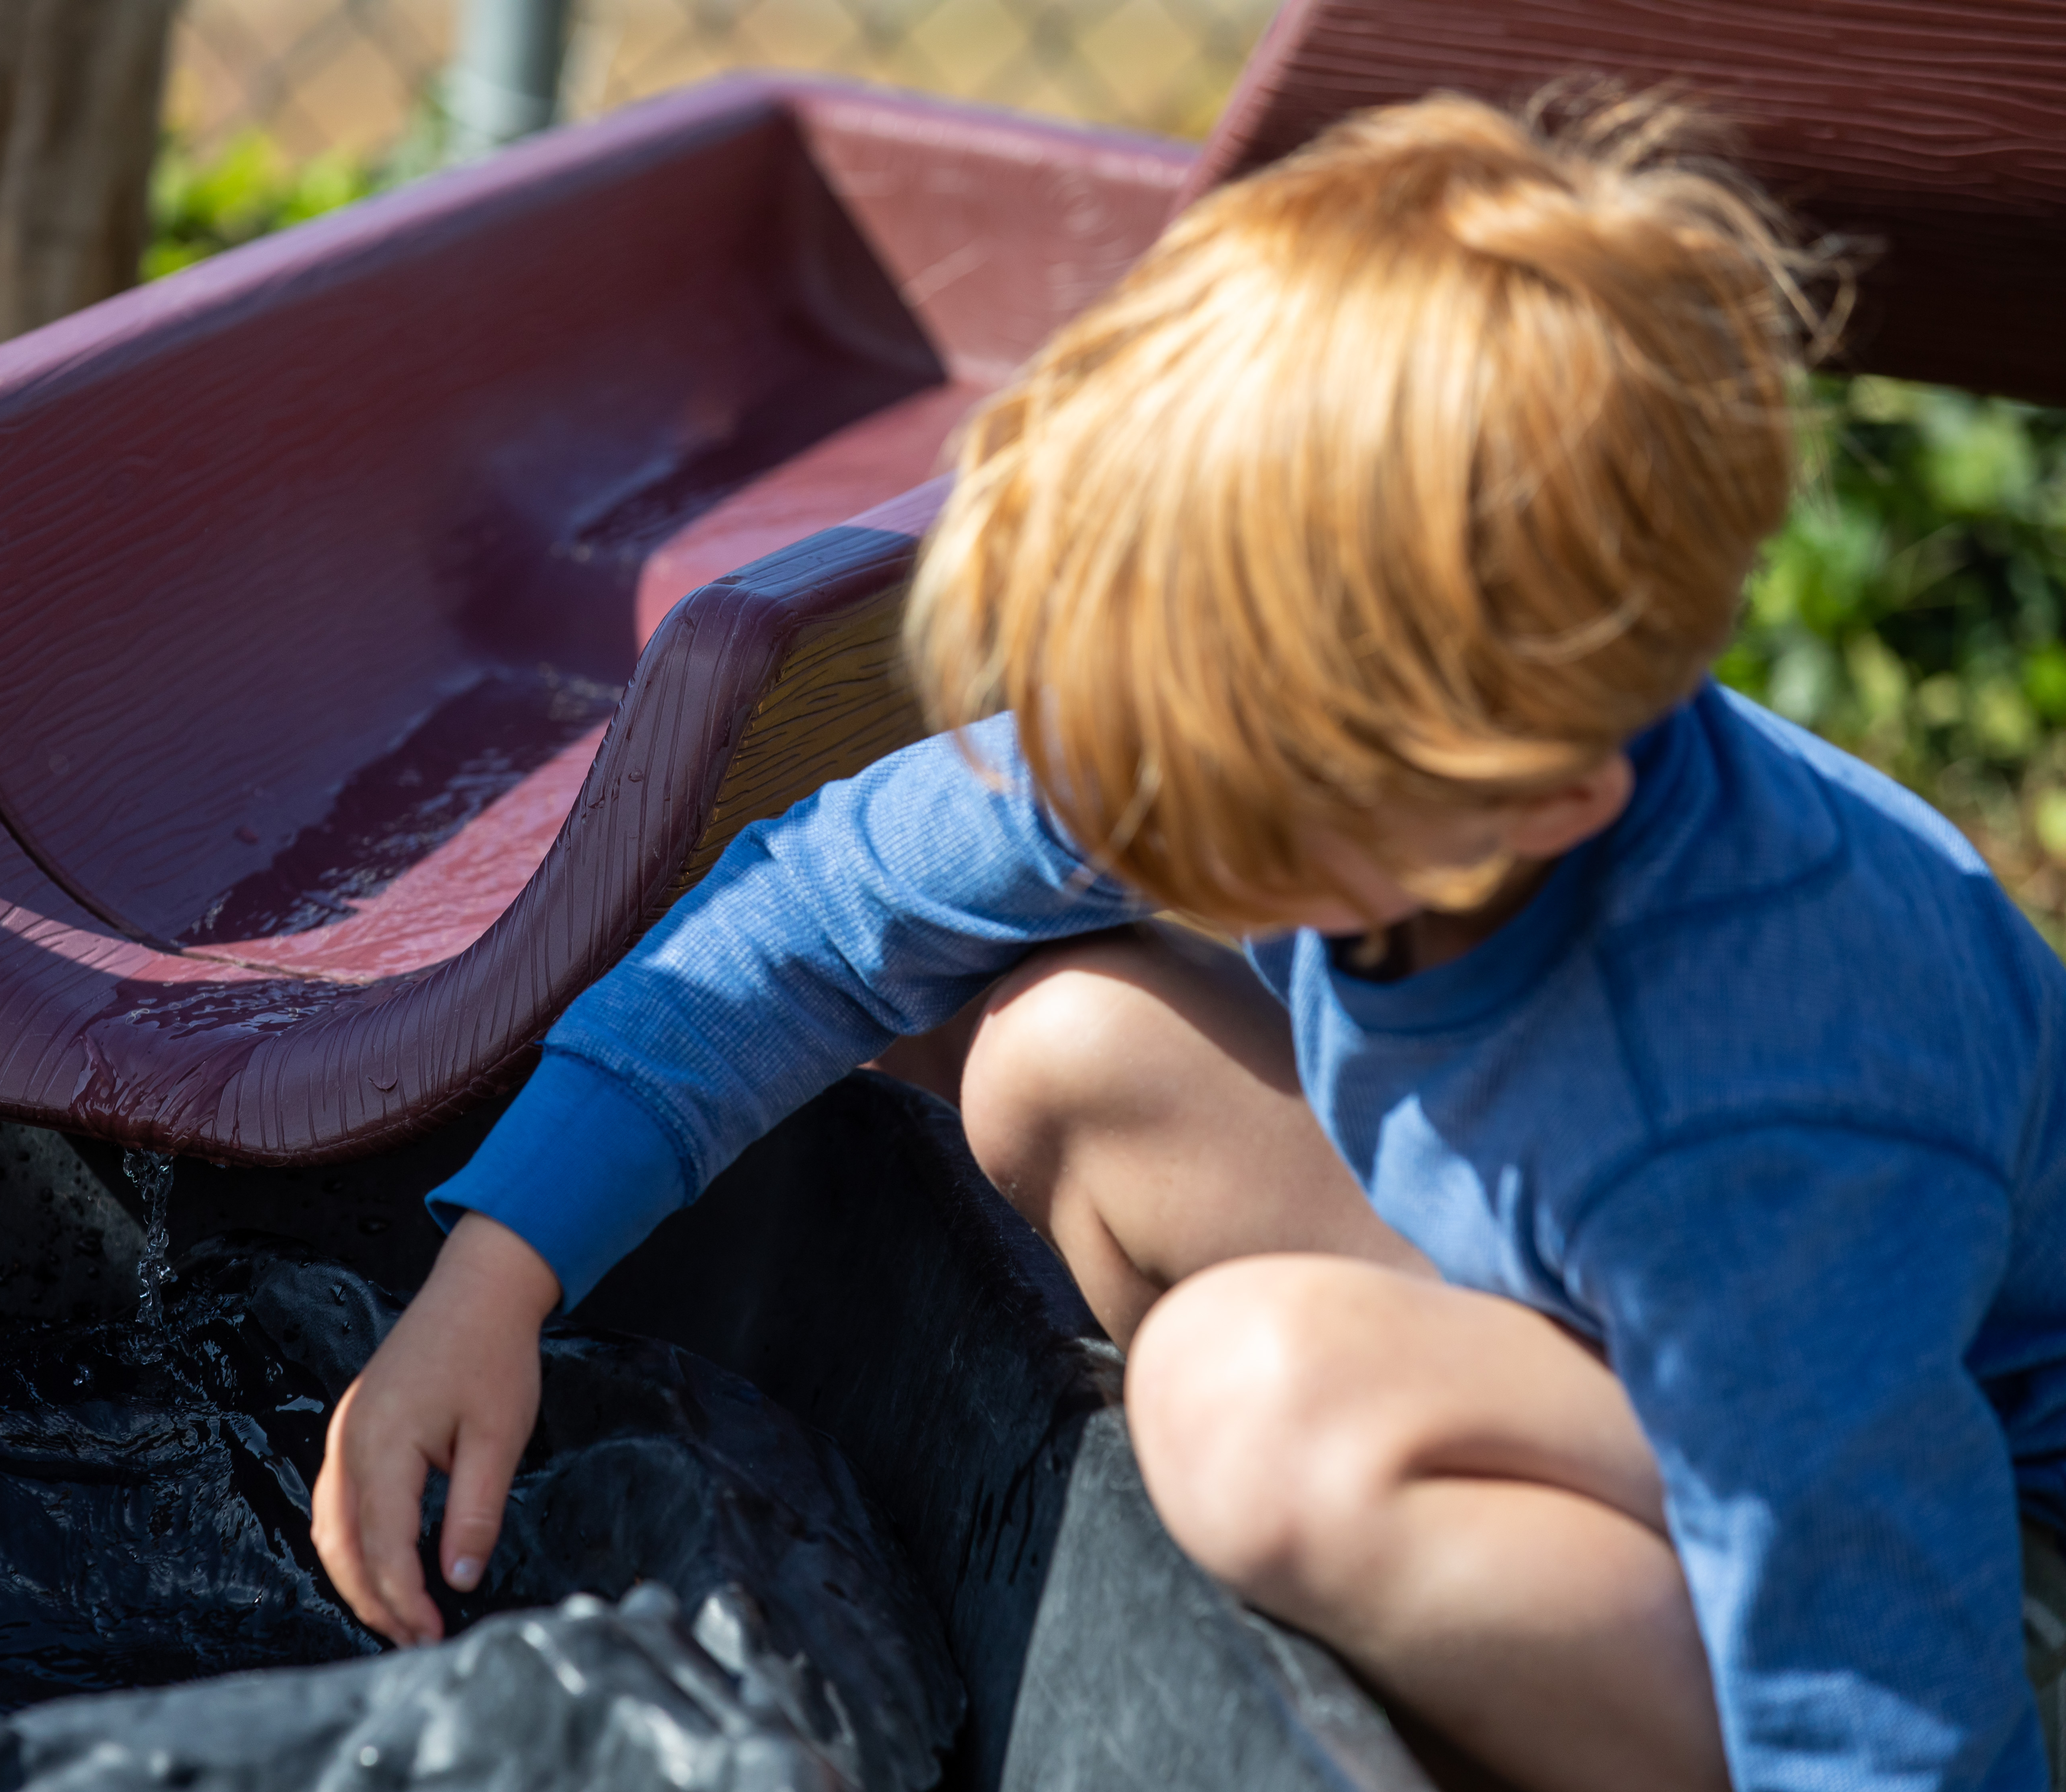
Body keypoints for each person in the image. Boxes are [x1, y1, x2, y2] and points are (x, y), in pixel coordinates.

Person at [309, 90, 2066, 1792]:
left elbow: (1882, 1662)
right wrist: (500, 1276)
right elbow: (828, 911)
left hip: (1960, 1583)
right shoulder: (1266, 688)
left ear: (1528, 805)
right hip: (1667, 1372)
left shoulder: (1771, 1091)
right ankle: (1392, 1620)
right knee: (1070, 1056)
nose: (1130, 813)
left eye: (1214, 805)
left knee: (1255, 1409)